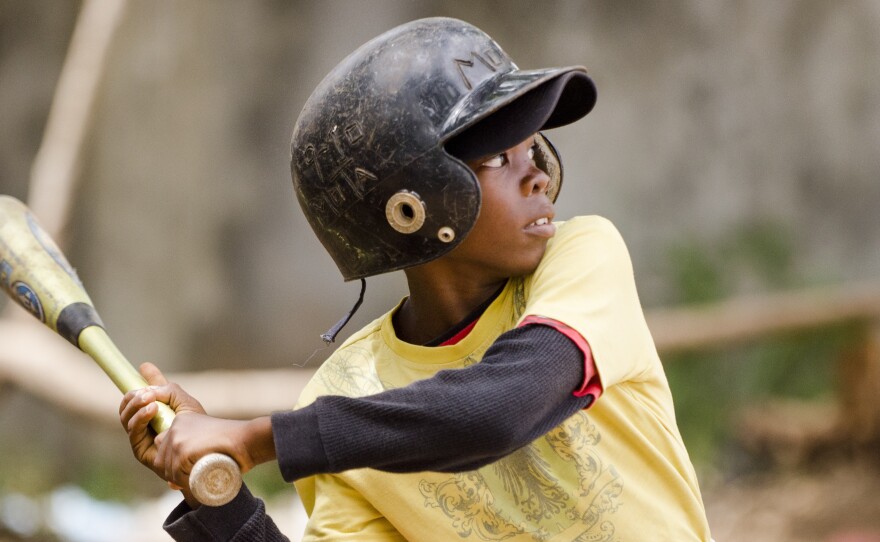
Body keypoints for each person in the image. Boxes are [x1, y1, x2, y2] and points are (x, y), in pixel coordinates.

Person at [120, 17, 713, 541]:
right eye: (500, 159)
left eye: (535, 149)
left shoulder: (581, 256)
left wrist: (256, 438)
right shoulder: (346, 396)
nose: (536, 176)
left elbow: (498, 410)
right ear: (411, 209)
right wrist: (216, 498)